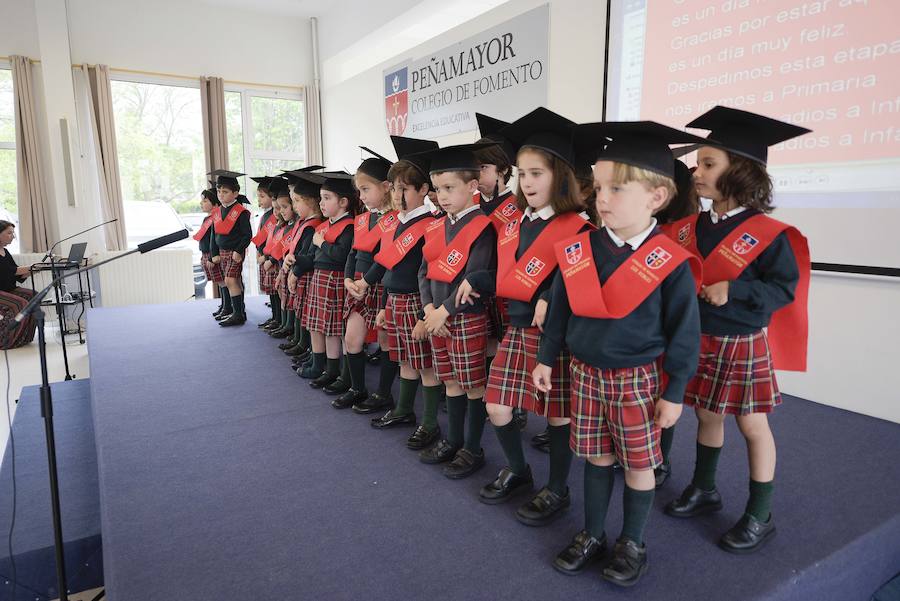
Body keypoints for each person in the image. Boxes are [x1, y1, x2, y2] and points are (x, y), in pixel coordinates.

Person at [533, 121, 705, 586]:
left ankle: (632, 541)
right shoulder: (579, 250)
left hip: (638, 381)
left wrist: (674, 392)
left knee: (638, 466)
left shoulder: (668, 262)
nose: (601, 197)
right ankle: (591, 534)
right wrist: (547, 358)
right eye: (599, 185)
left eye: (617, 188)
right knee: (595, 459)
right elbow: (561, 312)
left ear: (656, 197)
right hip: (586, 374)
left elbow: (685, 335)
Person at [662, 106, 811, 554]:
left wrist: (738, 291)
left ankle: (759, 514)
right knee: (705, 416)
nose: (697, 171)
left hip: (741, 341)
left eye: (709, 164)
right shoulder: (690, 228)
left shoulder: (770, 233)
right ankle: (705, 488)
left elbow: (784, 288)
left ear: (741, 171)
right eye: (698, 163)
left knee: (751, 426)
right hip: (698, 338)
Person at [457, 108, 591, 522]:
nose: (527, 182)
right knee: (498, 406)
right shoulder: (515, 222)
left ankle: (557, 489)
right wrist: (478, 277)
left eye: (538, 173)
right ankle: (518, 470)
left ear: (562, 177)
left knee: (557, 417)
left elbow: (580, 276)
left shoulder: (580, 227)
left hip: (556, 335)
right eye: (522, 174)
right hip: (518, 327)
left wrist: (551, 293)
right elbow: (503, 268)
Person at [414, 143, 498, 478]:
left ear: (472, 187)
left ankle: (472, 448)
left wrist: (444, 312)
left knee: (473, 384)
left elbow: (476, 277)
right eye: (437, 189)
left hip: (465, 318)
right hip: (437, 318)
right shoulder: (436, 225)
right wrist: (429, 308)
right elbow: (424, 271)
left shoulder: (482, 227)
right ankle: (454, 439)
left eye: (449, 188)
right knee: (449, 381)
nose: (442, 195)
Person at [368, 136, 441, 443]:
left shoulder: (431, 223)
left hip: (416, 302)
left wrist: (427, 314)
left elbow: (430, 274)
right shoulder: (395, 222)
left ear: (423, 190)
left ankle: (430, 422)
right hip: (395, 299)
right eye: (395, 187)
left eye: (405, 188)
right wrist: (384, 305)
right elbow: (388, 267)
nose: (398, 195)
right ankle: (403, 409)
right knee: (404, 360)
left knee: (424, 364)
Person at [332, 148, 397, 410]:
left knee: (384, 341)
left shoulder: (395, 220)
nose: (362, 196)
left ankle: (383, 394)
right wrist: (349, 279)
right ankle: (357, 388)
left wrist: (365, 282)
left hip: (378, 285)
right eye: (359, 190)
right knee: (352, 340)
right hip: (358, 284)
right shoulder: (362, 219)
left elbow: (386, 258)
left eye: (366, 189)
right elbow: (353, 253)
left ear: (385, 186)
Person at [208, 170, 252, 327]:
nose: (221, 195)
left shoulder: (241, 212)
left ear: (235, 193)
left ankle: (237, 314)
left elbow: (247, 235)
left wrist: (239, 250)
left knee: (230, 280)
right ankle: (238, 310)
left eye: (225, 192)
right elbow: (213, 235)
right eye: (219, 191)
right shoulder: (218, 211)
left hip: (235, 253)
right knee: (235, 282)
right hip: (222, 252)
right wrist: (213, 253)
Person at [0, 221, 37, 349]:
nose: (13, 236)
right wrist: (32, 267)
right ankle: (6, 341)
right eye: (9, 233)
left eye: (13, 233)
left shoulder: (5, 252)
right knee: (20, 304)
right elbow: (10, 271)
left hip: (9, 289)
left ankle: (24, 337)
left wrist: (33, 271)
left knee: (34, 297)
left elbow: (16, 275)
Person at [250, 176, 279, 328]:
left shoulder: (275, 216)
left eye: (262, 196)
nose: (259, 200)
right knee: (271, 292)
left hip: (270, 259)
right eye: (258, 196)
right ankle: (274, 317)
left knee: (276, 291)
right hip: (263, 257)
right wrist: (258, 252)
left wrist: (267, 256)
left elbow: (275, 239)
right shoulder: (265, 215)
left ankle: (278, 319)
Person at [194, 188, 225, 314]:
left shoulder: (216, 219)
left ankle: (228, 307)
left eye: (205, 201)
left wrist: (213, 256)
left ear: (215, 204)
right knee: (219, 282)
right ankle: (224, 305)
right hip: (205, 254)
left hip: (212, 255)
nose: (202, 203)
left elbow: (215, 240)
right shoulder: (206, 219)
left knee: (222, 281)